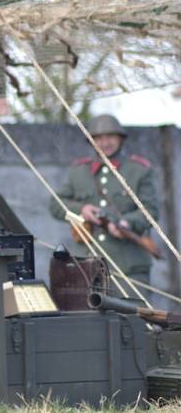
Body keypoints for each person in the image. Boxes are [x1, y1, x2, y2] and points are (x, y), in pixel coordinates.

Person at [49, 114, 160, 287]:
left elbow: (151, 212)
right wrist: (81, 209)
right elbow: (55, 205)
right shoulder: (78, 171)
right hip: (87, 265)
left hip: (129, 267)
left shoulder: (139, 170)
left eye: (110, 136)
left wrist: (126, 223)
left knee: (135, 314)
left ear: (120, 138)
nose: (104, 142)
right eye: (98, 138)